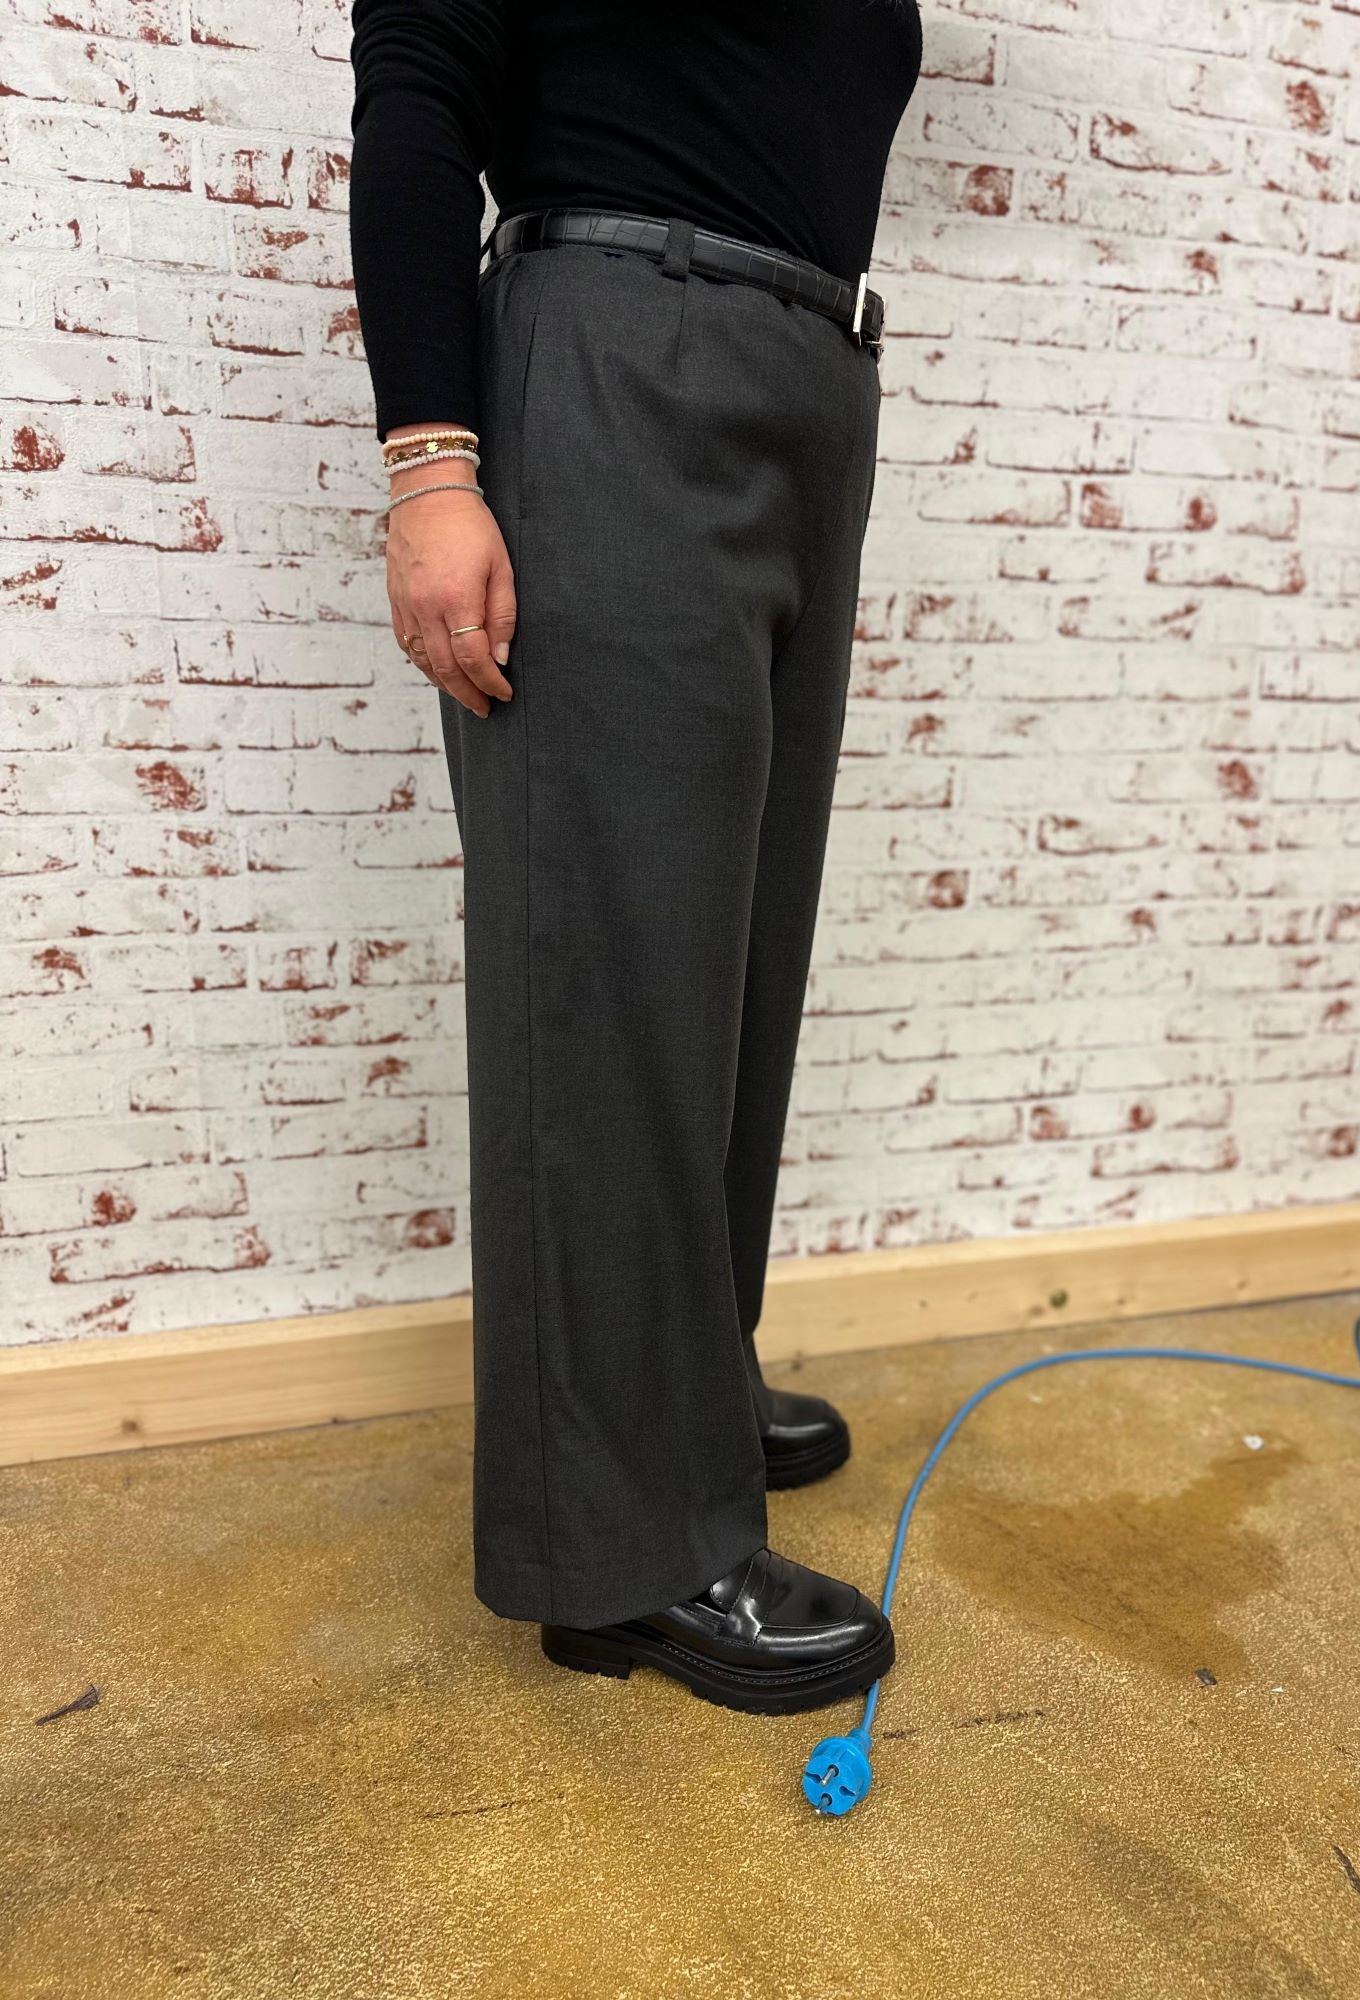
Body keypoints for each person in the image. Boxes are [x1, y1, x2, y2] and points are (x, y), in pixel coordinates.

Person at [347, 0, 922, 1716]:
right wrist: (430, 464)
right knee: (610, 963)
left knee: (733, 945)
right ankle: (625, 1556)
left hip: (806, 375)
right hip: (616, 354)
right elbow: (420, 80)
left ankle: (679, 1388)